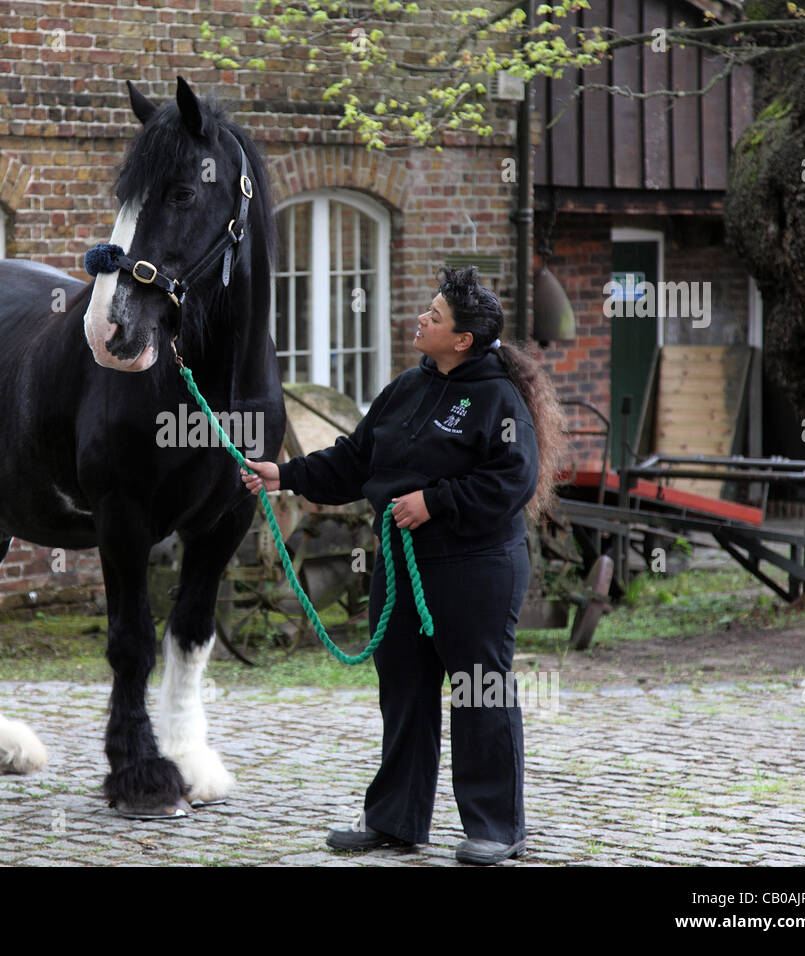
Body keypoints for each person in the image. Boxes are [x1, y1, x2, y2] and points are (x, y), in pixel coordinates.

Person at [242, 266, 566, 865]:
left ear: (463, 339)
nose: (423, 318)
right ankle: (396, 820)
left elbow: (511, 480)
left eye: (435, 316)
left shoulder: (498, 399)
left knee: (478, 691)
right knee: (405, 691)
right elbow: (355, 460)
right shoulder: (406, 388)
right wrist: (284, 475)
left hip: (474, 567)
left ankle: (497, 827)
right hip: (401, 561)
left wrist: (435, 501)